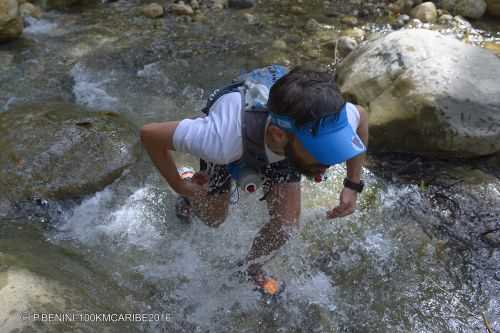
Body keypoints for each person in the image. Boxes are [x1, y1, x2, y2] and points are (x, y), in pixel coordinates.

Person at [140, 65, 369, 298]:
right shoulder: (220, 140)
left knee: (285, 226)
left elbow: (362, 118)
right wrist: (180, 184)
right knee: (213, 218)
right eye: (321, 150)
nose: (329, 161)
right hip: (242, 129)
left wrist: (352, 184)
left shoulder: (325, 119)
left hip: (288, 137)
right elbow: (150, 134)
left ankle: (251, 267)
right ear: (280, 135)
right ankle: (190, 191)